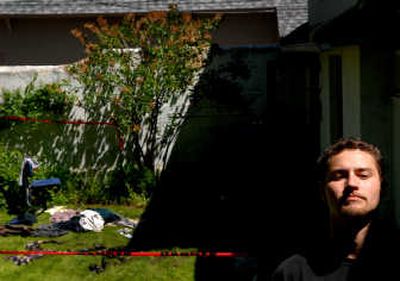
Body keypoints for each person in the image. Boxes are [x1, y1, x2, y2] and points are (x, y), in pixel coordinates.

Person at [271, 137, 400, 281]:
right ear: (322, 191)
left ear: (382, 187)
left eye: (363, 175)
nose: (351, 183)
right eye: (339, 176)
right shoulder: (293, 273)